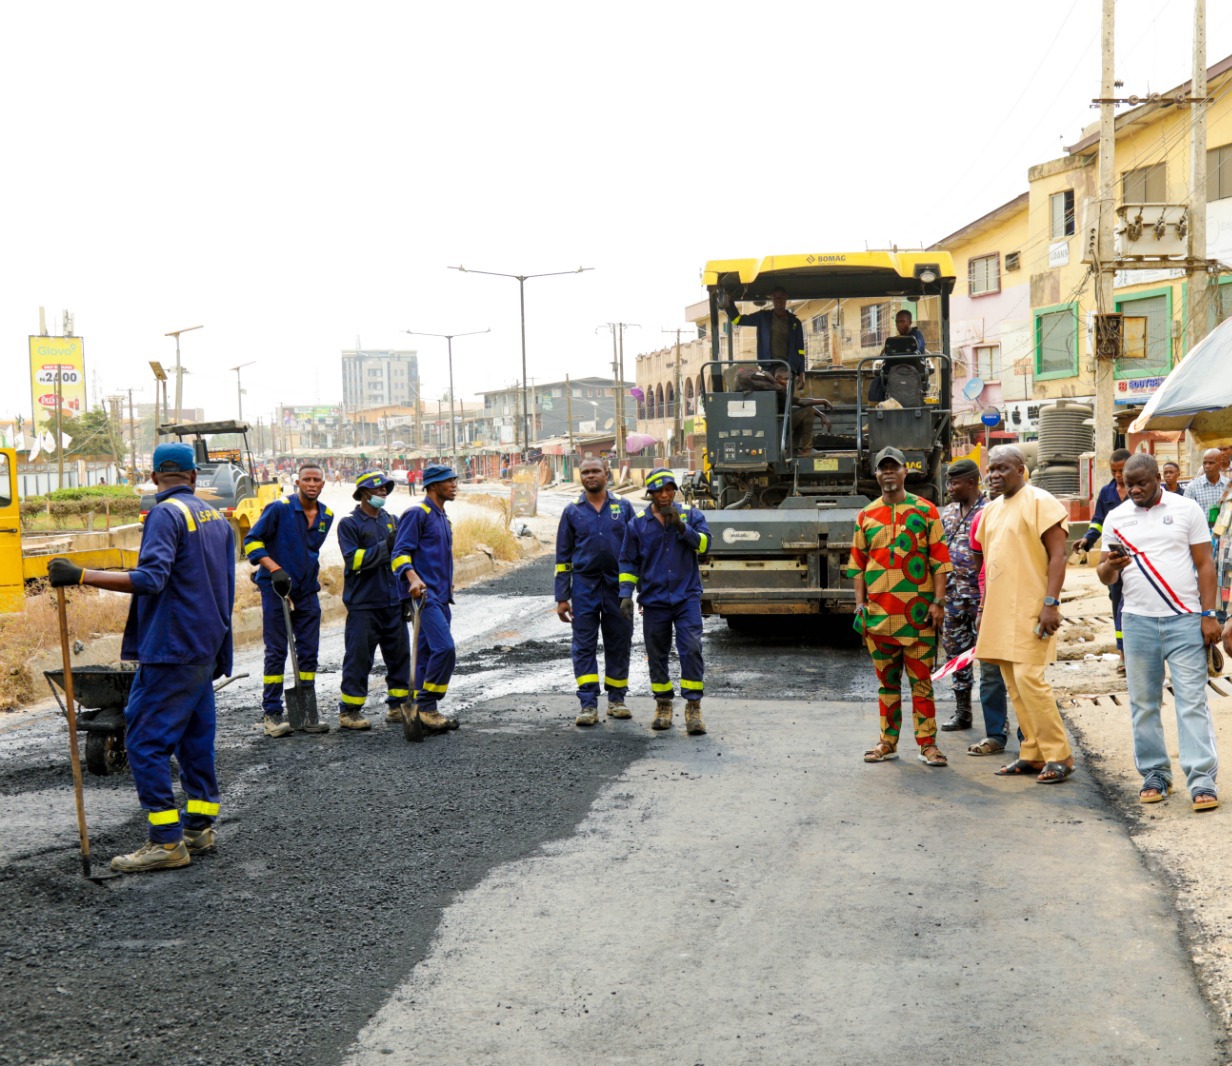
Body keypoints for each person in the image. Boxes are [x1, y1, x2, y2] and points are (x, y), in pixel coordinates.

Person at [47, 442, 234, 873]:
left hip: (172, 648)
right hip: (203, 645)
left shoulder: (165, 515)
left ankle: (166, 843)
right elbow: (225, 587)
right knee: (194, 739)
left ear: (153, 478)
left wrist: (81, 576)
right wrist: (221, 648)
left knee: (145, 742)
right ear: (192, 477)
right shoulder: (216, 518)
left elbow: (151, 579)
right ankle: (199, 828)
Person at [1097, 454, 1220, 811]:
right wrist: (1111, 566)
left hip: (1184, 620)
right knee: (1144, 703)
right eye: (1128, 484)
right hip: (1137, 622)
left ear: (1158, 479)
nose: (1133, 489)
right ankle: (1155, 774)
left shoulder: (1186, 510)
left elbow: (1204, 563)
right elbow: (1104, 576)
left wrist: (1208, 615)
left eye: (1141, 483)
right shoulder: (1117, 518)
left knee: (1191, 701)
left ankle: (1201, 780)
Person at [973, 445, 1075, 783]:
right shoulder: (990, 510)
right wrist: (984, 606)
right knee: (1013, 683)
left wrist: (1051, 603)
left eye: (1003, 468)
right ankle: (1032, 752)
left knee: (1031, 679)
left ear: (1021, 469)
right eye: (991, 469)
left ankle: (1058, 754)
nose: (995, 475)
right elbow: (988, 562)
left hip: (1033, 607)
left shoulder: (1041, 502)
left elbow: (1059, 556)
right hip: (1000, 610)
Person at [847, 446, 951, 767]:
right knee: (887, 685)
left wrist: (938, 602)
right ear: (876, 475)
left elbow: (939, 562)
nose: (888, 472)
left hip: (917, 617)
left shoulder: (926, 510)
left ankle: (927, 744)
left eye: (894, 467)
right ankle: (887, 741)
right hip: (878, 619)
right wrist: (859, 606)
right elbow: (857, 566)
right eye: (883, 468)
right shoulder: (866, 516)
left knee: (921, 683)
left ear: (906, 472)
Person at [244, 463, 335, 737]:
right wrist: (274, 569)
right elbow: (251, 541)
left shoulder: (326, 515)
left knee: (309, 652)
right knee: (277, 651)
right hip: (276, 588)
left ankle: (306, 712)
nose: (311, 484)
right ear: (297, 482)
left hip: (306, 591)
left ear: (323, 483)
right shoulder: (279, 508)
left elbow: (311, 552)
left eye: (316, 479)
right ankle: (272, 713)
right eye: (306, 479)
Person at [618, 467, 711, 735]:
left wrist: (682, 527)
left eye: (669, 489)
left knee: (691, 647)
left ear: (675, 491)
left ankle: (693, 707)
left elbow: (706, 545)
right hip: (655, 600)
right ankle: (663, 704)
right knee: (656, 654)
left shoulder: (691, 515)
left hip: (686, 598)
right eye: (659, 490)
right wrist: (626, 593)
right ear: (651, 494)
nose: (665, 494)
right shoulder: (637, 524)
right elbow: (628, 561)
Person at [555, 457, 636, 727]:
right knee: (584, 647)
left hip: (617, 589)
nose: (590, 476)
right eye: (585, 472)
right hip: (584, 590)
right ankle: (588, 705)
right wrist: (561, 598)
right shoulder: (572, 511)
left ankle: (616, 700)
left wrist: (640, 590)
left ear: (606, 474)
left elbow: (637, 551)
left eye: (595, 471)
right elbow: (563, 558)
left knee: (619, 643)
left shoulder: (623, 508)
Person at [336, 471, 411, 731]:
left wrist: (406, 594)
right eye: (377, 490)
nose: (383, 493)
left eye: (385, 489)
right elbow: (353, 560)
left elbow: (402, 559)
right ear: (363, 493)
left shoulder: (392, 520)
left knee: (400, 657)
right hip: (364, 605)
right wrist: (385, 547)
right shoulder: (349, 524)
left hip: (393, 602)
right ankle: (350, 711)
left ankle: (398, 706)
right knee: (358, 659)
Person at [392, 464, 461, 734]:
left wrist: (448, 580)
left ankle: (421, 712)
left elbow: (437, 556)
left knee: (426, 654)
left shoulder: (442, 517)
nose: (454, 485)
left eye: (454, 480)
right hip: (424, 597)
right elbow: (399, 553)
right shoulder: (416, 514)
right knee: (445, 649)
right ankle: (427, 705)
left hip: (442, 597)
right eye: (448, 481)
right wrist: (412, 578)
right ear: (433, 486)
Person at [938, 459, 986, 732]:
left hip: (982, 597)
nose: (950, 488)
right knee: (956, 654)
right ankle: (962, 712)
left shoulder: (990, 511)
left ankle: (997, 718)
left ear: (971, 482)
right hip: (955, 595)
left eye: (955, 483)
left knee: (991, 658)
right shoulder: (949, 512)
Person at [1073, 448, 1131, 669]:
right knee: (1118, 605)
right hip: (1115, 560)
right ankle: (1123, 653)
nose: (1118, 475)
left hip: (1138, 560)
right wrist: (1087, 540)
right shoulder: (1107, 493)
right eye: (1114, 470)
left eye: (1122, 470)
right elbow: (1098, 521)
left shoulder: (1141, 491)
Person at [731, 363, 832, 455]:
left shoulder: (771, 388)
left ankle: (793, 450)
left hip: (771, 425)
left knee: (805, 412)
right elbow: (802, 402)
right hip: (776, 426)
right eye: (785, 379)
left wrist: (820, 414)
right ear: (777, 378)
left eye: (790, 379)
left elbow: (799, 405)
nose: (788, 382)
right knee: (808, 411)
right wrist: (823, 401)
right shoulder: (777, 390)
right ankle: (807, 450)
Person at [722, 285, 806, 384]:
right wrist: (729, 304)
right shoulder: (763, 317)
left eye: (782, 297)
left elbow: (800, 350)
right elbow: (738, 320)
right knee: (769, 394)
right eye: (776, 297)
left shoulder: (795, 322)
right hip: (768, 366)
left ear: (786, 297)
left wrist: (801, 372)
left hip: (788, 366)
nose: (779, 300)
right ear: (771, 298)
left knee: (786, 390)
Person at [1185, 448, 1229, 528]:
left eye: (1211, 463)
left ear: (1220, 464)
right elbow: (1185, 513)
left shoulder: (1229, 486)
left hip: (1225, 536)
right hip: (1201, 535)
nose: (1207, 466)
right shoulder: (1192, 487)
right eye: (1205, 463)